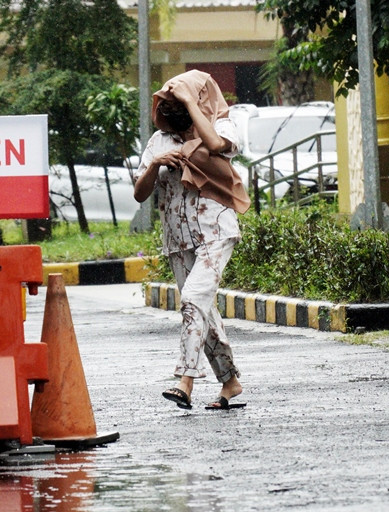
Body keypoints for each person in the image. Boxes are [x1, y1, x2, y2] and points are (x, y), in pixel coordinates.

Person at [133, 69, 250, 410]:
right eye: (170, 106)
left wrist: (190, 101)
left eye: (181, 105)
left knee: (192, 300)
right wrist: (155, 165)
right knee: (203, 311)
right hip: (178, 239)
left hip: (215, 231)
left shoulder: (222, 126)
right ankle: (230, 382)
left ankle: (185, 381)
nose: (175, 113)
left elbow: (214, 146)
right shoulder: (160, 141)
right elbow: (140, 194)